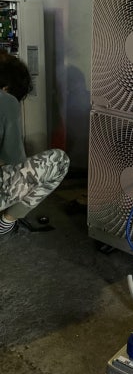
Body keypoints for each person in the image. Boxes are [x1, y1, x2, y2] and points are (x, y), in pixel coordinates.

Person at [0, 50, 70, 237]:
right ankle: (6, 222)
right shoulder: (6, 101)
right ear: (7, 88)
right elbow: (14, 159)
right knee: (59, 161)